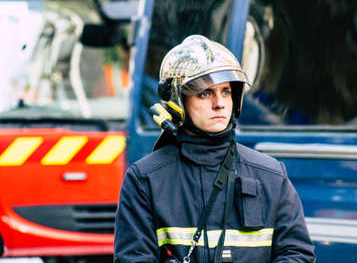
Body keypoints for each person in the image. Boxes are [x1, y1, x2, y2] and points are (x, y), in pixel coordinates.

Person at [114, 35, 315, 263]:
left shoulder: (270, 175)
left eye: (226, 92)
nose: (219, 103)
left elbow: (297, 254)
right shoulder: (145, 180)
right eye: (205, 93)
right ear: (177, 101)